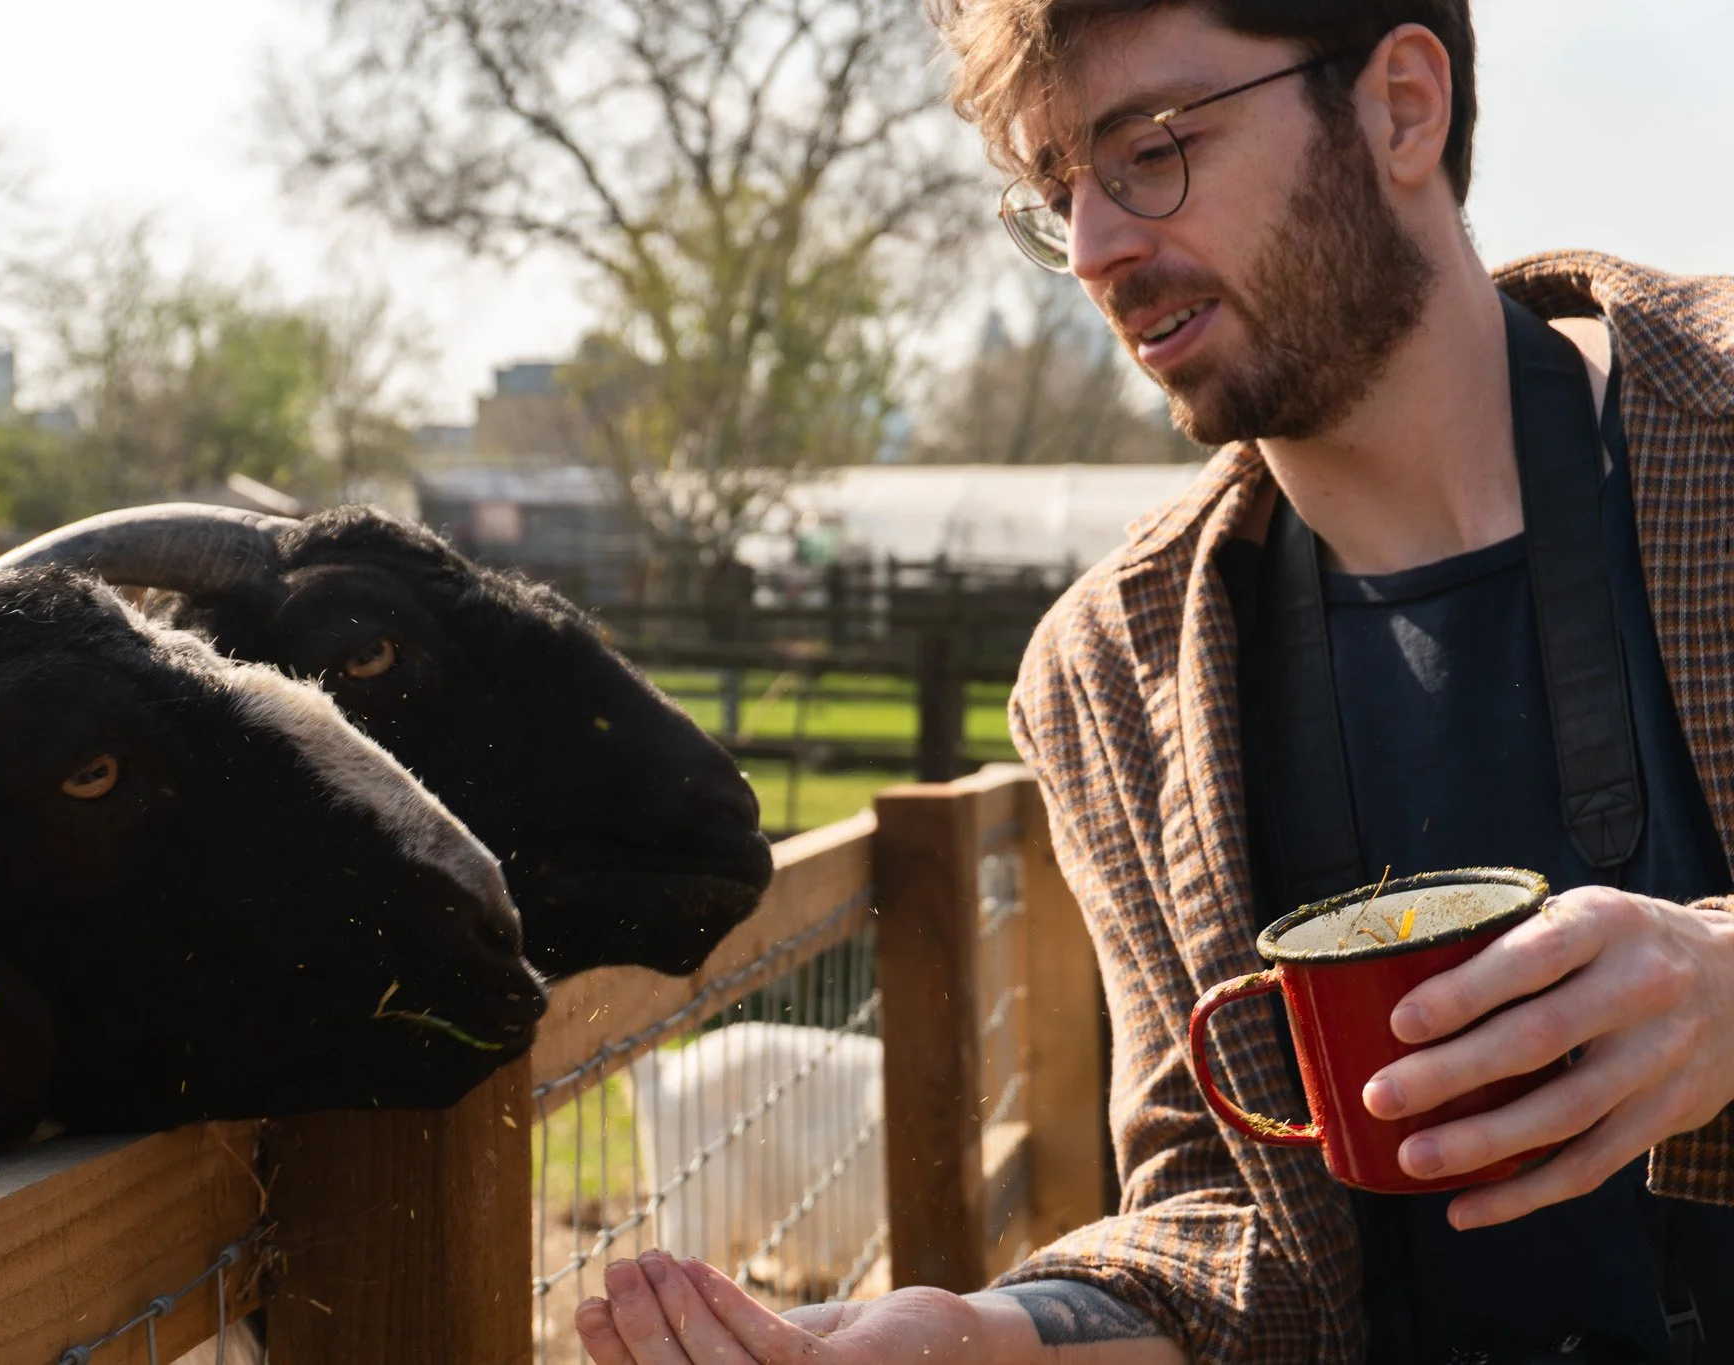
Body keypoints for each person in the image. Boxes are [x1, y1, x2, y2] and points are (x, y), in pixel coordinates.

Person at [574, 2, 1734, 1362]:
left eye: (1153, 150)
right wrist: (988, 1340)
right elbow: (1224, 1218)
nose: (1093, 248)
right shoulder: (1106, 672)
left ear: (1403, 107)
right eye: (1057, 190)